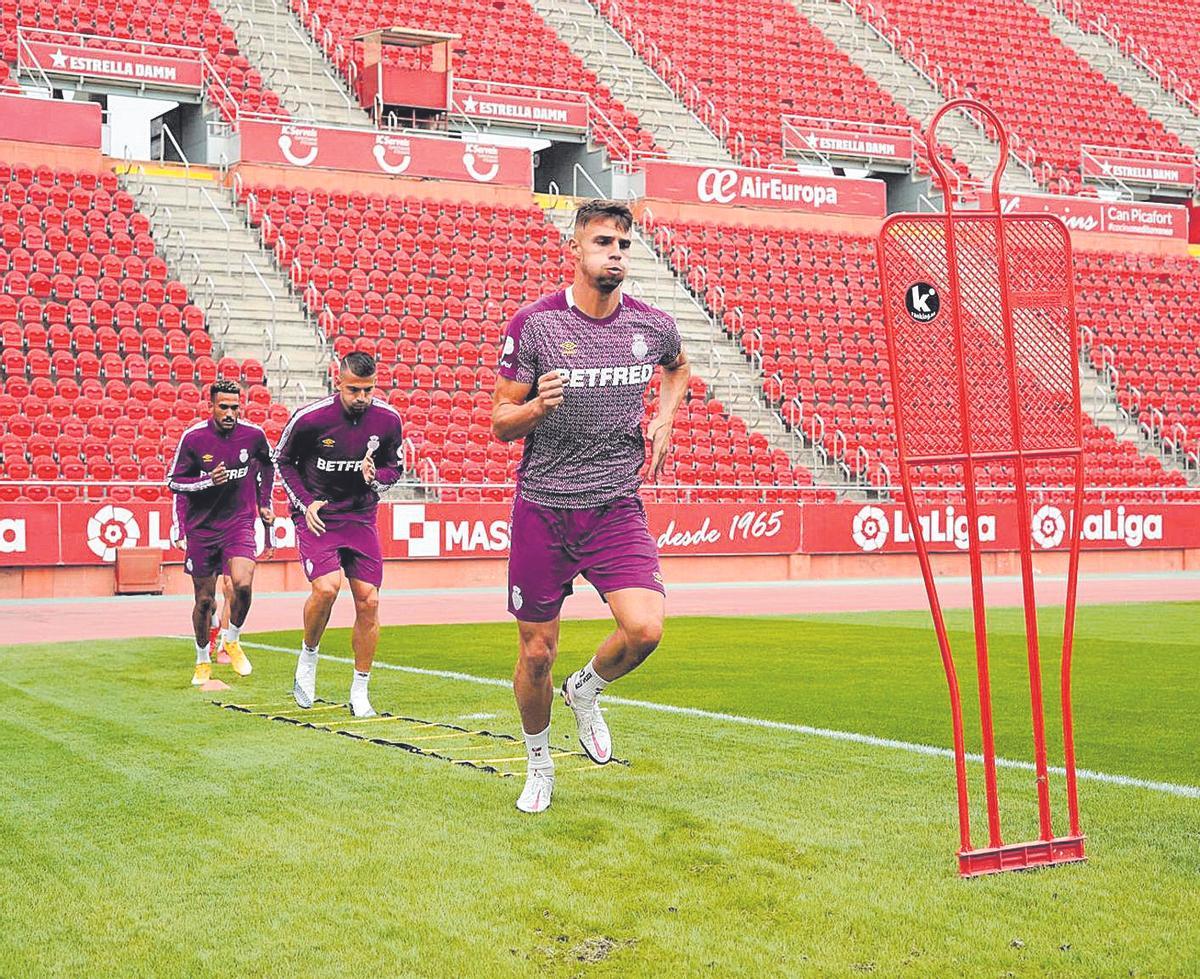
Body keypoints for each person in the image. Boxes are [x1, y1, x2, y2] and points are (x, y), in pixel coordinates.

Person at [492, 199, 691, 813]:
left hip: (614, 504)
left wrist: (663, 418)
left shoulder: (652, 325)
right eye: (603, 242)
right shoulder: (535, 326)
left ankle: (586, 690)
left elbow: (678, 370)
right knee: (535, 652)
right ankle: (539, 762)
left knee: (646, 630)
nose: (616, 254)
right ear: (575, 250)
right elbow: (500, 422)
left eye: (623, 245)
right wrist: (534, 410)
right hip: (544, 508)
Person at [274, 352, 404, 717]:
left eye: (368, 389)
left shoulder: (388, 419)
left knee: (370, 601)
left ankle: (360, 689)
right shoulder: (310, 419)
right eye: (354, 390)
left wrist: (377, 477)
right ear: (338, 383)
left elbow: (396, 466)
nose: (362, 397)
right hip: (319, 515)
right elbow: (281, 459)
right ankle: (308, 657)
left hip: (361, 517)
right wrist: (304, 502)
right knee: (327, 588)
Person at [167, 379, 276, 686]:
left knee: (242, 584)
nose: (230, 413)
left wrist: (264, 502)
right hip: (202, 529)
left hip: (239, 523)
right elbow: (174, 483)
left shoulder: (253, 436)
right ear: (211, 406)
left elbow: (269, 466)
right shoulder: (194, 438)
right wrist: (206, 482)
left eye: (234, 407)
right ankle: (202, 660)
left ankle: (232, 639)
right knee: (204, 601)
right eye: (223, 407)